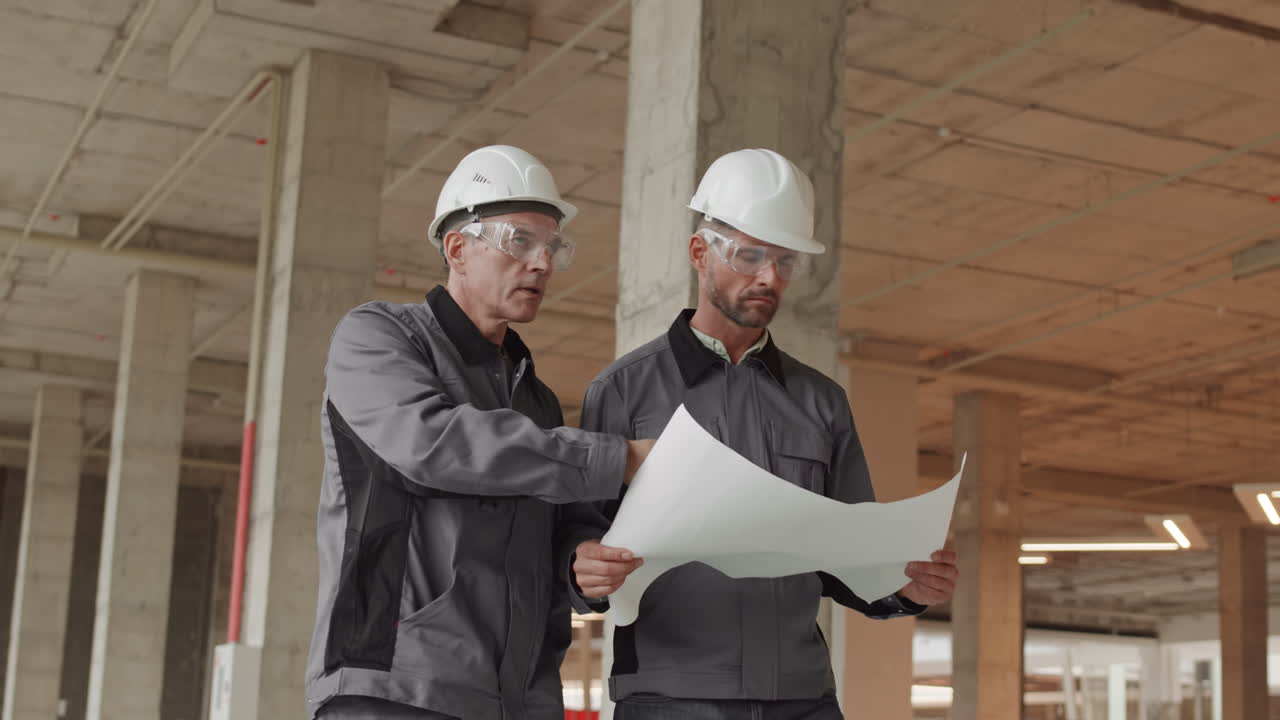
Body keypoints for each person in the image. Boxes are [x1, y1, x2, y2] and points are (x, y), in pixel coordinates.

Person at [567, 149, 959, 719]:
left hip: (802, 699)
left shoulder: (822, 401)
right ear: (700, 252)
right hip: (671, 699)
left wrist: (905, 591)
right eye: (750, 256)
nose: (769, 278)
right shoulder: (624, 389)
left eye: (785, 261)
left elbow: (848, 556)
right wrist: (582, 570)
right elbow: (579, 536)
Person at [305, 145, 651, 720]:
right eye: (519, 242)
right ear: (457, 248)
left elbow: (551, 536)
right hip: (393, 686)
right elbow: (432, 443)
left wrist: (580, 566)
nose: (540, 263)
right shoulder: (378, 337)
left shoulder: (535, 399)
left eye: (552, 248)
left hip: (516, 700)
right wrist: (617, 459)